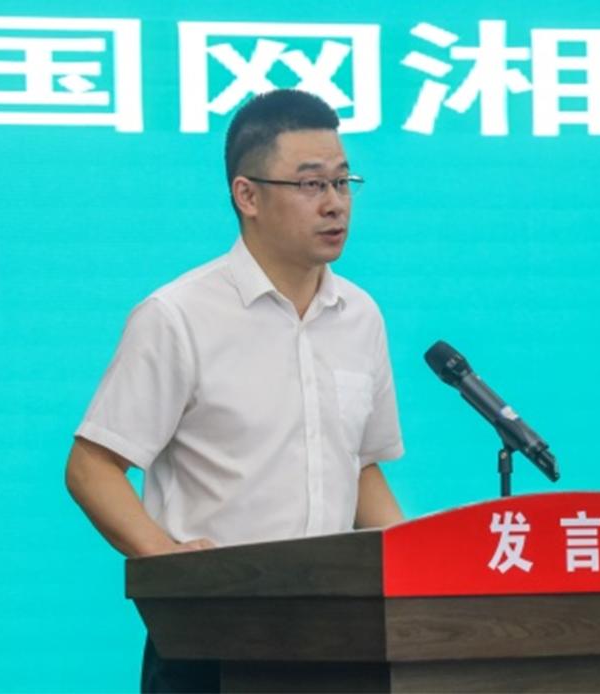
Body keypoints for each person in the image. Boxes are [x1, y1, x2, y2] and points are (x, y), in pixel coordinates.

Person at [64, 89, 406, 692]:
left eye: (343, 182)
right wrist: (167, 562)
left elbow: (359, 467)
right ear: (247, 195)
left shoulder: (361, 316)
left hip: (338, 634)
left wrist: (411, 569)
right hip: (212, 636)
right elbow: (92, 466)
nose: (334, 204)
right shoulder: (178, 315)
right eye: (311, 184)